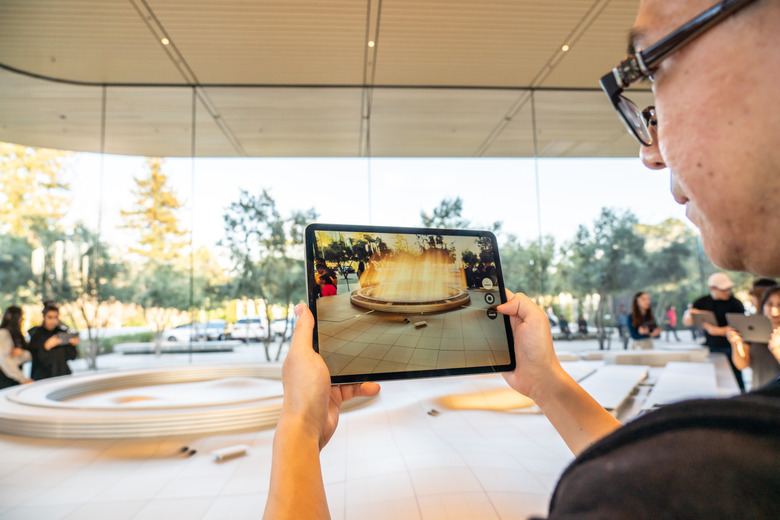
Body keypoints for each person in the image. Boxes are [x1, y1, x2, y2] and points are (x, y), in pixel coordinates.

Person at [264, 1, 780, 518]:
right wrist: (546, 382)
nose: (651, 150)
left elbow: (653, 490)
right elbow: (672, 488)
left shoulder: (669, 486)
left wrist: (298, 428)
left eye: (649, 70)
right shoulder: (723, 467)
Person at [684, 273, 746, 391]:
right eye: (724, 290)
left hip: (731, 347)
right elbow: (687, 321)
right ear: (713, 288)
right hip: (710, 347)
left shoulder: (736, 304)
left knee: (736, 378)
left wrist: (718, 331)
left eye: (729, 289)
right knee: (715, 379)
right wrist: (690, 313)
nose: (727, 292)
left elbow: (741, 328)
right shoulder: (702, 302)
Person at [727, 284, 780, 390]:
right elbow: (742, 365)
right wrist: (735, 344)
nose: (774, 310)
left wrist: (777, 350)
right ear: (763, 306)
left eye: (779, 305)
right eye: (769, 304)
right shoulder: (752, 329)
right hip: (758, 394)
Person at [27, 301, 79, 380]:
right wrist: (46, 347)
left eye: (56, 317)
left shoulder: (61, 333)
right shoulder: (36, 335)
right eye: (50, 317)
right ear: (44, 317)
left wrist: (73, 345)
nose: (53, 321)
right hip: (43, 379)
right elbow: (36, 360)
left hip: (62, 376)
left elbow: (72, 356)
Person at [0, 306, 33, 389]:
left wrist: (22, 353)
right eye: (20, 316)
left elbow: (28, 356)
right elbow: (6, 361)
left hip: (13, 380)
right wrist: (22, 379)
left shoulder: (17, 335)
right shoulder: (3, 334)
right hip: (6, 381)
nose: (22, 319)